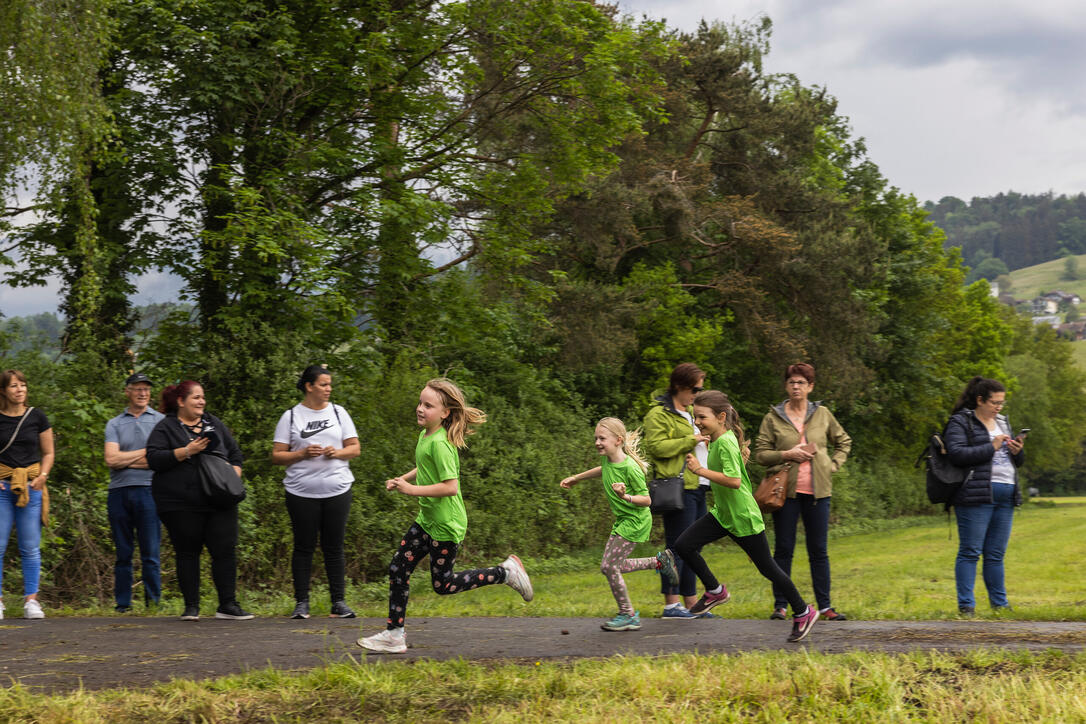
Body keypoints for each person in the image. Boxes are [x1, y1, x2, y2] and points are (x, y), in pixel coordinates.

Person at [357, 378, 533, 654]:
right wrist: (402, 478)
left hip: (446, 526)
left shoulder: (441, 443)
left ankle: (505, 573)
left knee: (443, 584)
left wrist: (411, 490)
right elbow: (423, 466)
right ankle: (394, 634)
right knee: (398, 569)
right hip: (427, 521)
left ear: (445, 412)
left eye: (428, 405)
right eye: (420, 403)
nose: (420, 409)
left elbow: (450, 487)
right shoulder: (426, 435)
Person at [669, 390, 820, 643]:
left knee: (769, 569)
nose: (697, 422)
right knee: (684, 545)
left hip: (743, 518)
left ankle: (804, 611)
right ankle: (716, 591)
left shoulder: (725, 442)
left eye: (702, 417)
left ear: (721, 417)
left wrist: (701, 469)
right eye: (695, 417)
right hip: (724, 514)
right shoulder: (717, 440)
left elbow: (735, 481)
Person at [560, 417, 680, 631]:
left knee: (609, 567)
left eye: (602, 438)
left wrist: (625, 497)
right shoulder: (608, 459)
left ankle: (628, 614)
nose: (597, 442)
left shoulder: (630, 468)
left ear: (618, 440)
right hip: (624, 520)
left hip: (635, 521)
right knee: (613, 566)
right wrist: (577, 478)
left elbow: (647, 500)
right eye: (596, 438)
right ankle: (659, 562)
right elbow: (601, 470)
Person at [146, 380, 252, 621]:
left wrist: (233, 475)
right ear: (180, 402)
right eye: (196, 397)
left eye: (203, 397)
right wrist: (186, 451)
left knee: (224, 551)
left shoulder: (213, 423)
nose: (202, 401)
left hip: (219, 500)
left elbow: (235, 453)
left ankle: (228, 605)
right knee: (187, 552)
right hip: (180, 503)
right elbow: (153, 458)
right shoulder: (166, 427)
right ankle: (191, 607)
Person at [754, 363, 851, 622]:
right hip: (784, 493)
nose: (796, 386)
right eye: (791, 382)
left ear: (810, 387)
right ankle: (781, 605)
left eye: (801, 382)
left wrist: (833, 465)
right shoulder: (773, 417)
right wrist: (786, 454)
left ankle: (825, 606)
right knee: (784, 549)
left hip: (819, 493)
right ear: (786, 386)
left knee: (818, 550)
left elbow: (843, 441)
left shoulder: (823, 414)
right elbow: (760, 454)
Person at [272, 365, 361, 619]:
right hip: (301, 493)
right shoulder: (290, 416)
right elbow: (277, 456)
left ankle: (339, 603)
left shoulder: (338, 412)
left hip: (337, 489)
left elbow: (355, 448)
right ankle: (302, 603)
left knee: (334, 547)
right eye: (323, 384)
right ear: (309, 386)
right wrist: (301, 453)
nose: (328, 389)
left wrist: (337, 452)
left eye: (330, 384)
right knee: (303, 547)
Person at [944, 376, 1024, 616]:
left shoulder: (1002, 422)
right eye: (994, 402)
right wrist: (992, 446)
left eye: (1002, 403)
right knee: (970, 551)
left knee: (996, 554)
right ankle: (967, 606)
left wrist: (1018, 452)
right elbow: (956, 454)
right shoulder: (961, 422)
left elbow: (1016, 462)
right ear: (980, 400)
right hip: (975, 494)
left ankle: (1000, 605)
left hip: (1006, 493)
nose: (999, 407)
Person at [642, 362, 713, 619]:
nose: (697, 394)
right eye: (694, 389)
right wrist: (691, 439)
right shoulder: (658, 414)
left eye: (700, 389)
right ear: (679, 386)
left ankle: (691, 603)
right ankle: (671, 603)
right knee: (675, 547)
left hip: (700, 485)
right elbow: (657, 448)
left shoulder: (694, 411)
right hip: (677, 487)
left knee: (693, 547)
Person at [103, 373, 165, 613]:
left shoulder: (160, 421)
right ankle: (123, 604)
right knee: (123, 552)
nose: (142, 393)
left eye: (146, 389)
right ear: (127, 391)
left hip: (150, 490)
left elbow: (160, 459)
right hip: (119, 492)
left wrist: (125, 459)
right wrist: (145, 454)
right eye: (137, 389)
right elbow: (111, 459)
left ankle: (154, 605)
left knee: (150, 552)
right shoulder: (114, 423)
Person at [0, 370, 53, 620]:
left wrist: (43, 475)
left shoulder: (37, 417)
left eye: (23, 384)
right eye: (13, 386)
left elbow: (49, 452)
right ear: (3, 391)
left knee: (30, 547)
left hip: (31, 487)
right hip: (2, 487)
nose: (19, 389)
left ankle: (31, 601)